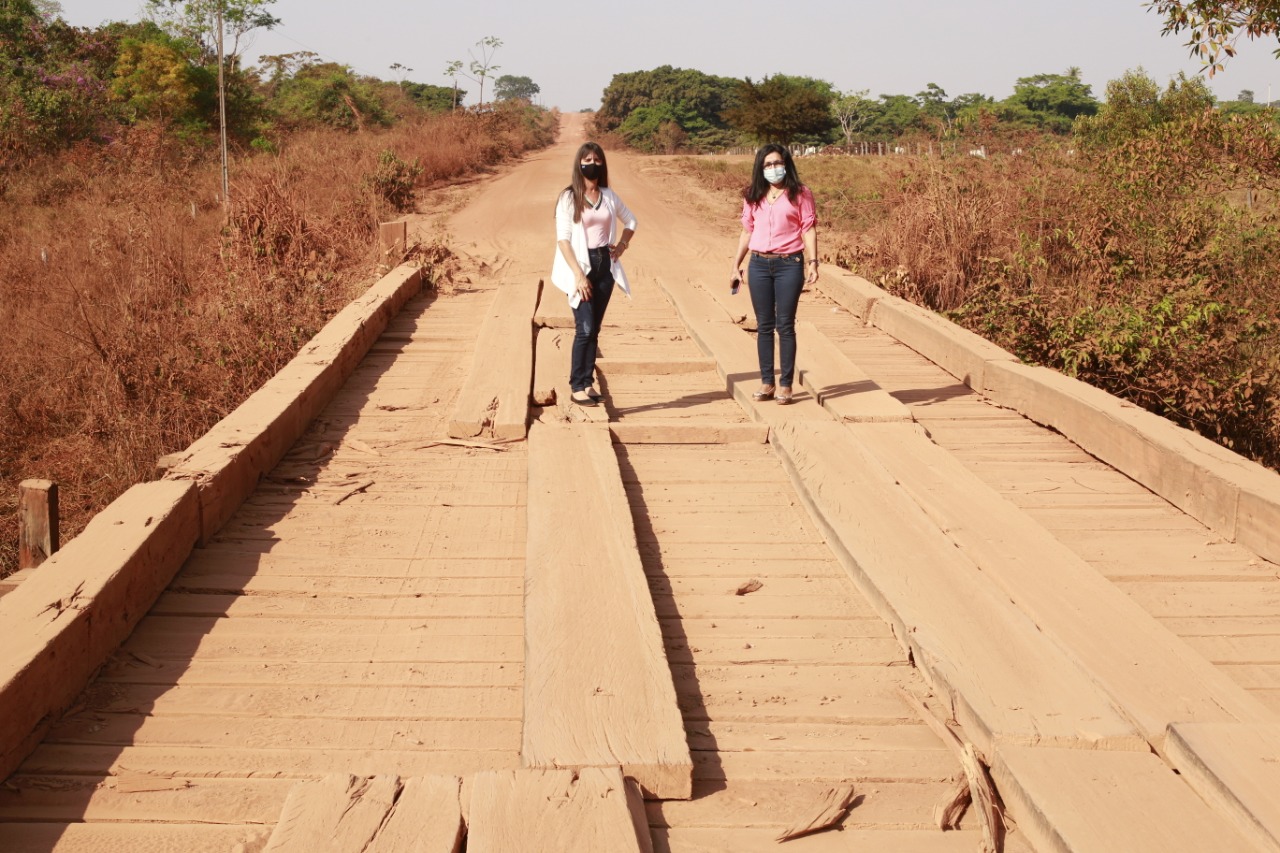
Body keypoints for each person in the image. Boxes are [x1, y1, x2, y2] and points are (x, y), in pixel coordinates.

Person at [550, 142, 637, 407]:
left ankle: (587, 383)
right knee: (584, 327)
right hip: (580, 265)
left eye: (597, 159)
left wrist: (622, 245)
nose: (592, 163)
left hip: (604, 265)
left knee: (595, 328)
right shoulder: (569, 198)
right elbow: (563, 240)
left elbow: (631, 221)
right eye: (587, 159)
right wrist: (578, 275)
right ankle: (576, 385)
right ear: (579, 164)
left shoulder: (609, 195)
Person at [730, 144, 818, 405]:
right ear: (760, 167)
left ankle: (786, 385)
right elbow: (747, 232)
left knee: (785, 325)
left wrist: (813, 262)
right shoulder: (753, 195)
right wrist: (736, 264)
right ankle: (767, 382)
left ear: (786, 164)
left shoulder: (800, 194)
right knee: (764, 325)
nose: (773, 169)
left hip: (789, 264)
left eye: (777, 163)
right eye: (767, 164)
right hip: (758, 265)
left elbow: (809, 229)